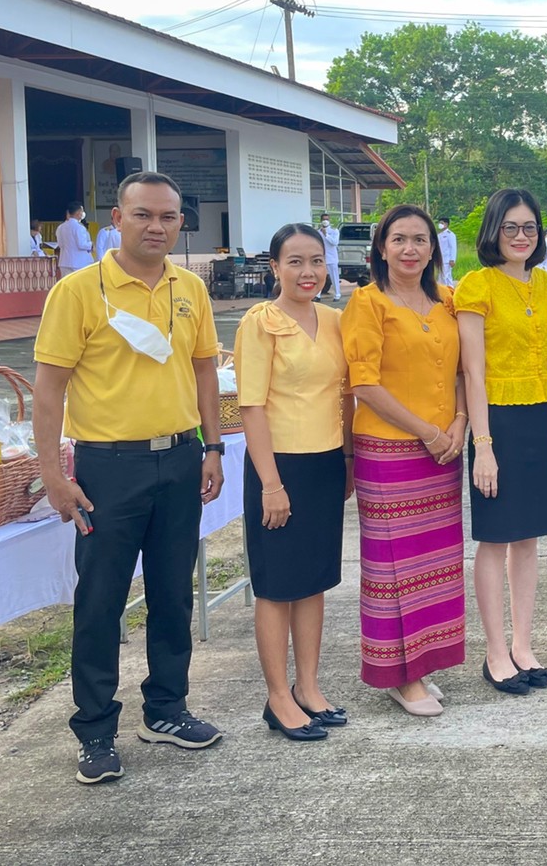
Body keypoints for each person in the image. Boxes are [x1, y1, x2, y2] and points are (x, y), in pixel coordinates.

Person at [32, 171, 225, 784]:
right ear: (115, 219)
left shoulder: (189, 287)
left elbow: (202, 374)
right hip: (107, 467)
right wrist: (54, 479)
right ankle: (95, 729)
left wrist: (212, 447)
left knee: (173, 592)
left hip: (179, 460)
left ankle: (165, 708)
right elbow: (48, 392)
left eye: (169, 216)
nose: (157, 226)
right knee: (101, 600)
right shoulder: (80, 291)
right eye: (144, 215)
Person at [341, 205, 467, 717]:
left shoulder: (447, 301)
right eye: (399, 240)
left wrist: (458, 423)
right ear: (381, 248)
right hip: (390, 451)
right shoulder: (367, 303)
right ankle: (400, 673)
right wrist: (426, 432)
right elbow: (364, 383)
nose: (410, 249)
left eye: (420, 240)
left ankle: (425, 663)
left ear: (434, 249)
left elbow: (463, 370)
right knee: (395, 566)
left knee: (435, 566)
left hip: (445, 451)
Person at [234, 223, 353, 743]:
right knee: (277, 585)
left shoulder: (334, 320)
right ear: (275, 267)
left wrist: (347, 456)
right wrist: (270, 484)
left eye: (317, 261)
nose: (308, 272)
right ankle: (277, 696)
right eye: (296, 262)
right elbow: (251, 406)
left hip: (325, 461)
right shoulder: (260, 323)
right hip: (278, 465)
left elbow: (344, 393)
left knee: (314, 580)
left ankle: (309, 686)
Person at [457, 189, 547, 696]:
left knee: (529, 538)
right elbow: (472, 373)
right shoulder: (477, 286)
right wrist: (484, 446)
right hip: (497, 420)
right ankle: (495, 651)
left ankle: (523, 643)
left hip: (545, 419)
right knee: (494, 538)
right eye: (511, 227)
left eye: (530, 228)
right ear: (493, 231)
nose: (521, 237)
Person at [56, 200, 94, 275]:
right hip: (79, 262)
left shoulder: (61, 227)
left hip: (65, 262)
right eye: (81, 211)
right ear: (78, 213)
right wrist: (91, 244)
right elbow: (82, 244)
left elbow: (60, 244)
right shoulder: (79, 227)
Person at [319, 213, 342, 301]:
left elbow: (335, 242)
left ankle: (337, 294)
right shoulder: (318, 232)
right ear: (321, 221)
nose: (325, 221)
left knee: (334, 277)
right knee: (320, 276)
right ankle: (317, 295)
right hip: (322, 258)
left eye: (327, 219)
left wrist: (326, 235)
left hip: (332, 258)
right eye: (324, 219)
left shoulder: (334, 231)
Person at [437, 216, 458, 285]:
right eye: (439, 223)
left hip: (447, 260)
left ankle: (445, 292)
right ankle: (449, 292)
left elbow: (453, 247)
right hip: (440, 259)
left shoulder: (450, 234)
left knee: (445, 276)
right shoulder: (439, 235)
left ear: (446, 224)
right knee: (443, 277)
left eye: (441, 223)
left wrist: (452, 259)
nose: (440, 224)